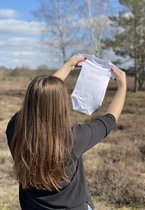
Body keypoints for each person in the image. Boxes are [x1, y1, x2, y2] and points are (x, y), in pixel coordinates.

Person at [6, 55, 126, 210]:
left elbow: (40, 97)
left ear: (29, 100)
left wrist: (68, 65)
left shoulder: (15, 128)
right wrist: (122, 86)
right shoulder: (73, 138)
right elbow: (110, 120)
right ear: (61, 104)